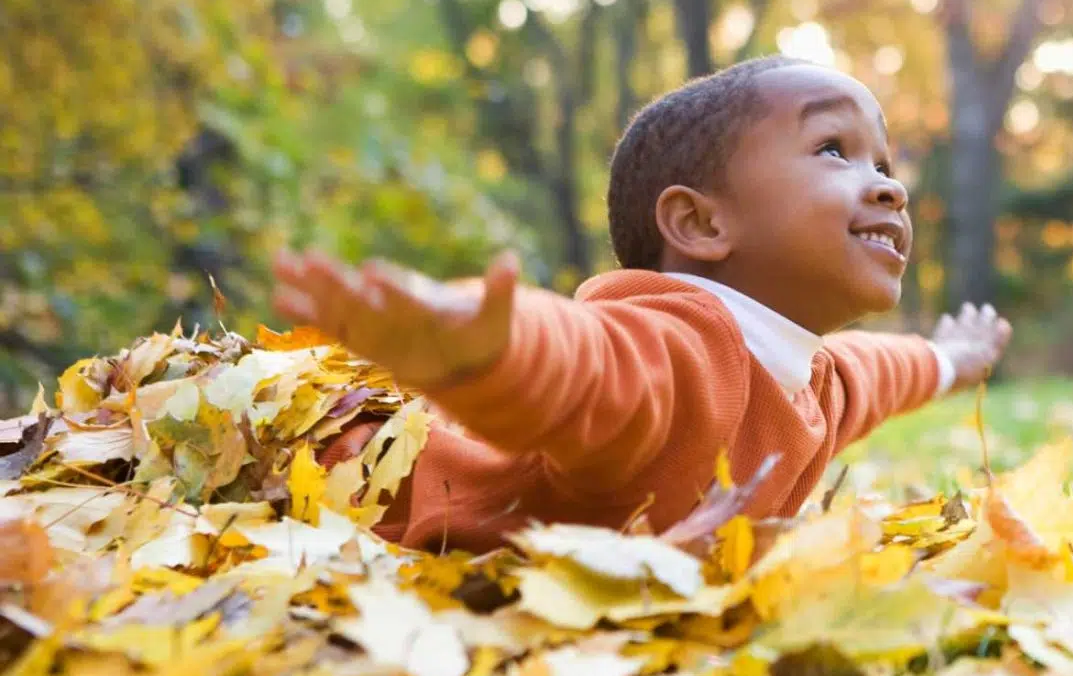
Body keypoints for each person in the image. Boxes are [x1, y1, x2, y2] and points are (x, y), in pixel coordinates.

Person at [270, 56, 1013, 553]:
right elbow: (587, 365)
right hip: (316, 464)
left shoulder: (810, 380)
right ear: (701, 224)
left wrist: (950, 358)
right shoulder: (683, 348)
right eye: (832, 150)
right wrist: (488, 344)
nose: (890, 186)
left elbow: (877, 372)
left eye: (882, 163)